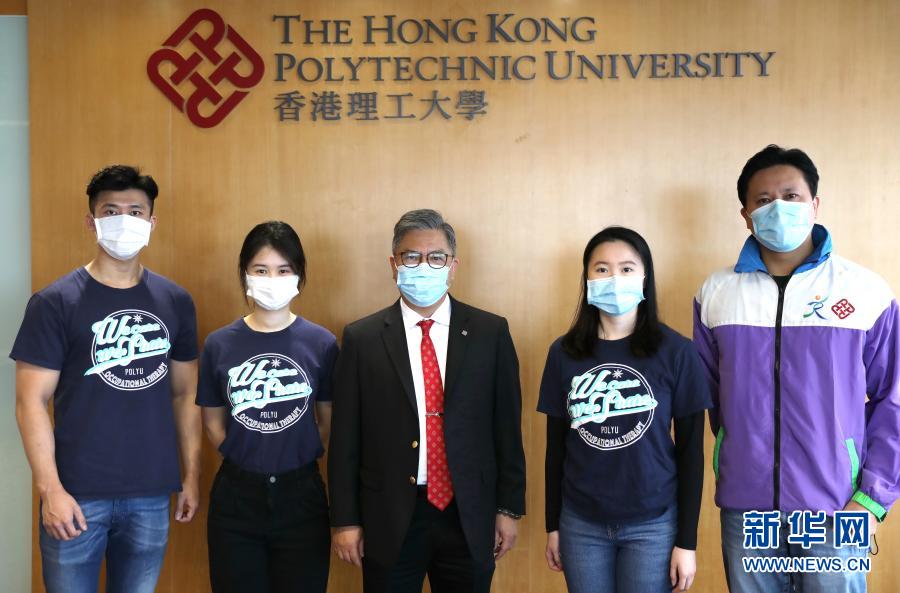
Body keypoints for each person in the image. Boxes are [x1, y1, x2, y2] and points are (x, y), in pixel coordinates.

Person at [694, 145, 900, 592]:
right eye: (763, 200)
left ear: (815, 204)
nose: (778, 208)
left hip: (839, 506)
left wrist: (872, 499)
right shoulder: (716, 294)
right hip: (747, 507)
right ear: (746, 215)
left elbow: (894, 399)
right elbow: (710, 396)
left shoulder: (865, 292)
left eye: (791, 196)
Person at [11, 165, 201, 593]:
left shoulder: (176, 301)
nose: (123, 221)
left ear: (151, 222)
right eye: (111, 211)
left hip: (151, 494)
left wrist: (191, 476)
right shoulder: (54, 302)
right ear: (91, 221)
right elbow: (30, 402)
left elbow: (185, 393)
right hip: (76, 494)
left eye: (135, 211)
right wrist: (50, 490)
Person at [328, 208, 526, 593]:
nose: (423, 266)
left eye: (436, 257)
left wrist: (508, 508)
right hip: (390, 514)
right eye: (411, 257)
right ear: (393, 264)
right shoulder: (362, 338)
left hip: (468, 512)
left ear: (452, 266)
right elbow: (345, 438)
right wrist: (346, 520)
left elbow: (507, 427)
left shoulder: (490, 332)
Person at [538, 226, 711, 593]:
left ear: (645, 277)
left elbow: (691, 453)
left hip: (653, 524)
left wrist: (687, 541)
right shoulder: (563, 353)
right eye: (602, 269)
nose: (614, 278)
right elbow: (555, 449)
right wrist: (553, 524)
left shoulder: (677, 352)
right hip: (580, 523)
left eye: (627, 268)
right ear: (587, 278)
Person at [196, 221, 337, 593]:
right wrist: (243, 455)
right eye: (261, 270)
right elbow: (212, 423)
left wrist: (296, 453)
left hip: (302, 495)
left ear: (299, 276)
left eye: (283, 270)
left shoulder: (322, 343)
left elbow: (326, 422)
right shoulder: (219, 344)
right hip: (236, 496)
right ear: (244, 274)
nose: (272, 280)